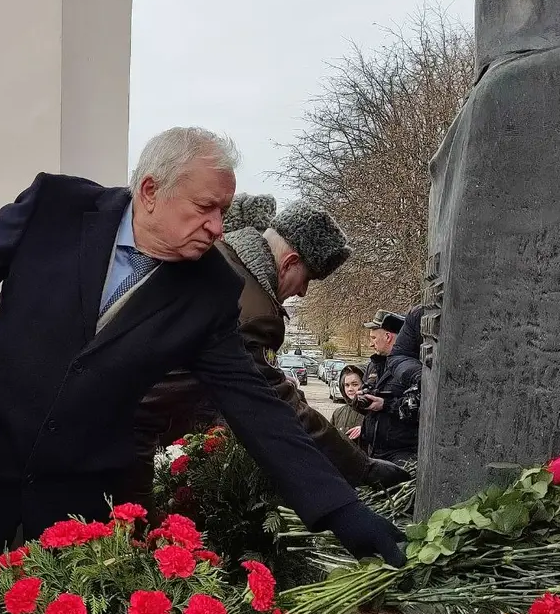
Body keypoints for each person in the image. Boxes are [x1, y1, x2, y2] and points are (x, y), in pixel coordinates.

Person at [0, 126, 405, 614]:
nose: (220, 227)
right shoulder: (56, 206)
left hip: (78, 511)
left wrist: (344, 510)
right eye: (206, 208)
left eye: (224, 210)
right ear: (149, 191)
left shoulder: (212, 292)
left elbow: (260, 409)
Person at [130, 195, 409, 499]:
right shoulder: (253, 307)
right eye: (307, 279)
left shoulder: (222, 260)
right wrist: (361, 467)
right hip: (134, 441)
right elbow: (277, 408)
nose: (302, 292)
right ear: (290, 262)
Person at [358, 306, 424, 464]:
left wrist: (386, 405)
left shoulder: (412, 369)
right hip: (373, 450)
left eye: (374, 338)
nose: (370, 344)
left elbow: (422, 408)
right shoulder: (373, 365)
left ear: (388, 337)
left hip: (403, 455)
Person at [332, 365, 366, 439]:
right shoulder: (338, 413)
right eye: (347, 385)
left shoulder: (375, 412)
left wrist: (366, 430)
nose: (350, 389)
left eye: (355, 384)